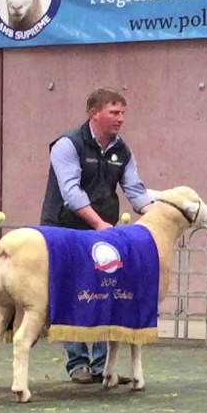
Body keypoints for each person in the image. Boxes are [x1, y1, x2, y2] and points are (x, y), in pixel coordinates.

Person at [40, 87, 153, 384]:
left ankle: (104, 365)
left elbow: (136, 191)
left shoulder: (122, 150)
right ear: (95, 113)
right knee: (69, 291)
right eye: (114, 112)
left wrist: (158, 217)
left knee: (104, 290)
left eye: (123, 113)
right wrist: (100, 224)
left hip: (102, 231)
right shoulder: (67, 145)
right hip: (63, 229)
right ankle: (78, 362)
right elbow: (70, 192)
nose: (121, 119)